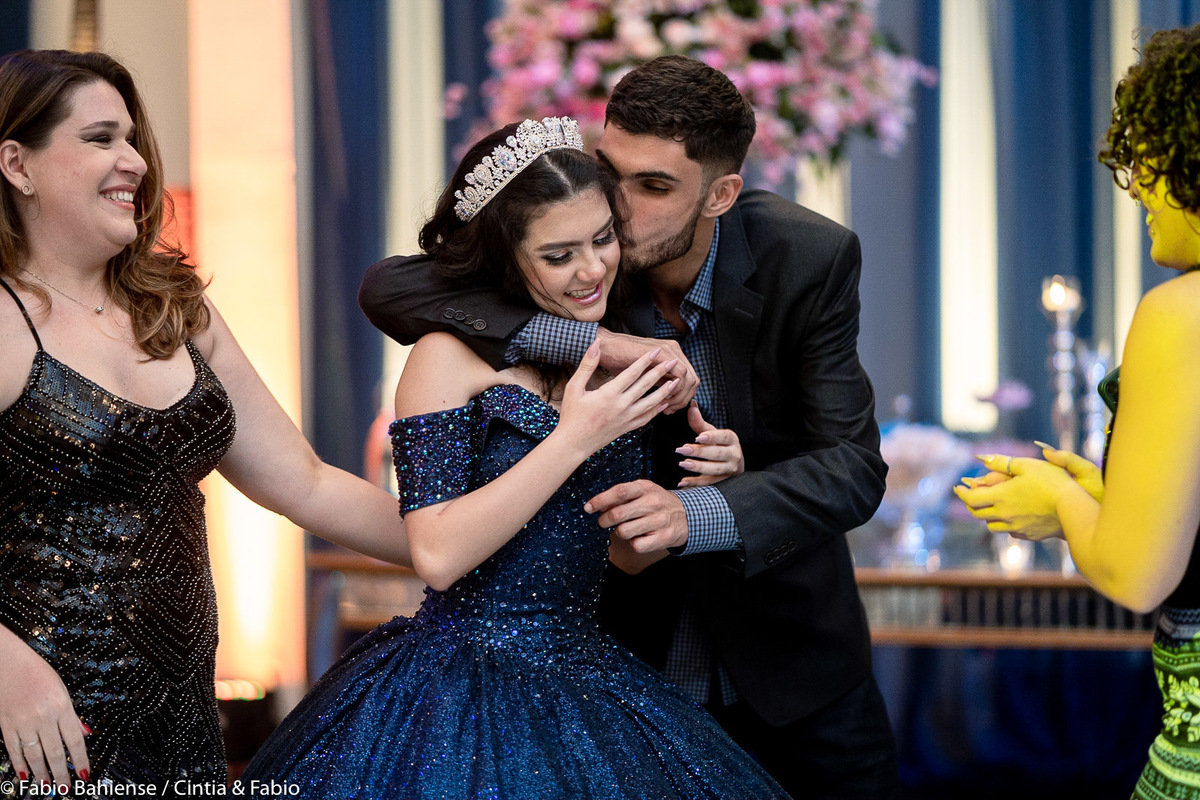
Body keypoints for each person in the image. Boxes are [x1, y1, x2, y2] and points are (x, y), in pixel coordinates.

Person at [359, 55, 897, 799]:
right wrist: (600, 341)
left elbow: (852, 465)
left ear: (720, 195)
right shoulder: (591, 266)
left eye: (654, 187)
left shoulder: (805, 256)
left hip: (792, 660)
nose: (618, 206)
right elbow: (392, 286)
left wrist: (701, 509)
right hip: (625, 661)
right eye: (612, 172)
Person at [238, 116, 788, 799]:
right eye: (559, 256)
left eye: (603, 239)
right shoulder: (447, 356)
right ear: (505, 256)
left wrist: (695, 494)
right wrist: (574, 438)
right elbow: (437, 552)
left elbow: (623, 556)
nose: (593, 269)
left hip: (587, 676)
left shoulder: (615, 354)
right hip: (454, 684)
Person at [0, 49, 411, 795]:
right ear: (16, 164)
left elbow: (308, 484)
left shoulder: (176, 308)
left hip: (184, 725)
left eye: (132, 139)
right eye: (100, 139)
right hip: (40, 733)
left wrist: (461, 544)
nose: (134, 161)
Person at [955, 24, 1200, 800]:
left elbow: (1136, 575)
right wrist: (1111, 502)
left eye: (1148, 158)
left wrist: (1062, 501)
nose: (1139, 189)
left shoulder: (1183, 315)